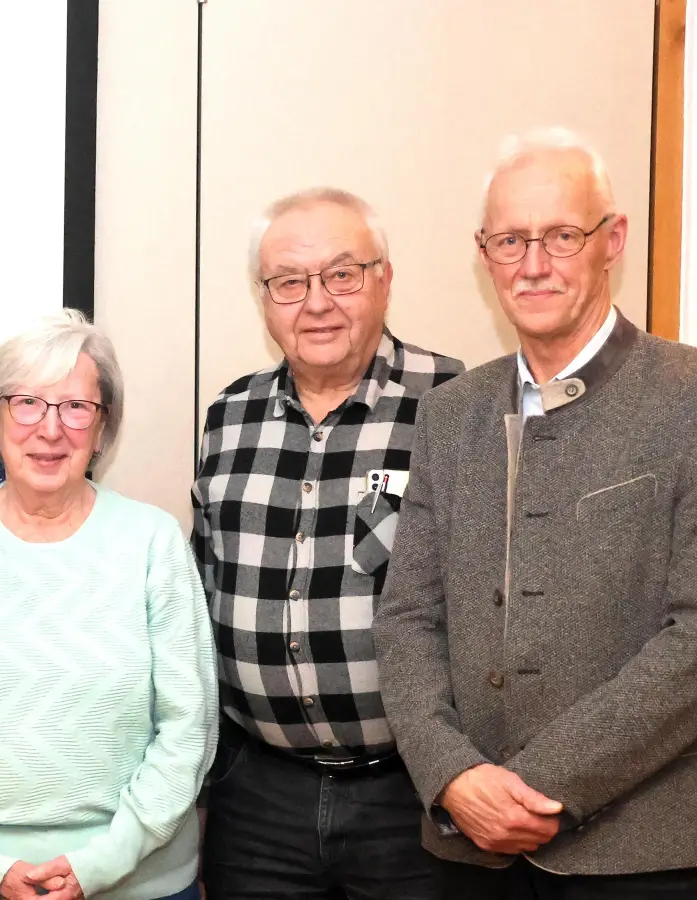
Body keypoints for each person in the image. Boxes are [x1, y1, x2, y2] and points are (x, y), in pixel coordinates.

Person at [376, 129, 697, 898]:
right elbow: (406, 621)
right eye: (510, 240)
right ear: (483, 253)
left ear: (611, 240)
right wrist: (454, 775)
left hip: (641, 856)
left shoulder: (692, 399)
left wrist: (531, 786)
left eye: (561, 236)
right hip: (467, 855)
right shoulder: (451, 415)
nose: (532, 265)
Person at [0, 310, 215, 900]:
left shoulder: (153, 542)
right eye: (26, 402)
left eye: (76, 407)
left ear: (103, 427)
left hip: (142, 879)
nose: (50, 429)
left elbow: (189, 727)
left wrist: (102, 864)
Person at [192, 188, 462, 899]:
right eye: (289, 281)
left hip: (412, 795)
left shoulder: (456, 403)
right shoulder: (229, 417)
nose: (316, 302)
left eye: (343, 274)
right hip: (258, 798)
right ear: (264, 298)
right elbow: (204, 579)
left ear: (385, 278)